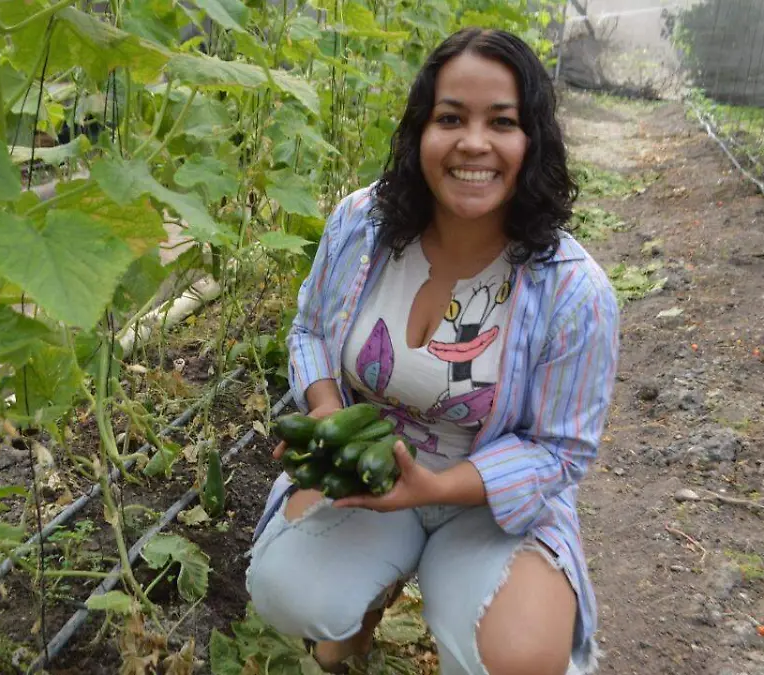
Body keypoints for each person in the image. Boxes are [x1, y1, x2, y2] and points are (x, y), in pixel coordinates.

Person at [245, 28, 620, 675]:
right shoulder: (363, 225)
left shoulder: (572, 288)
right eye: (451, 118)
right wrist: (332, 415)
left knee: (520, 657)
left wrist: (437, 486)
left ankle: (452, 582)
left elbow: (561, 450)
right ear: (421, 130)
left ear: (531, 140)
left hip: (490, 503)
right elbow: (309, 331)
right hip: (371, 477)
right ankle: (363, 611)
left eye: (500, 121)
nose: (473, 141)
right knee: (288, 590)